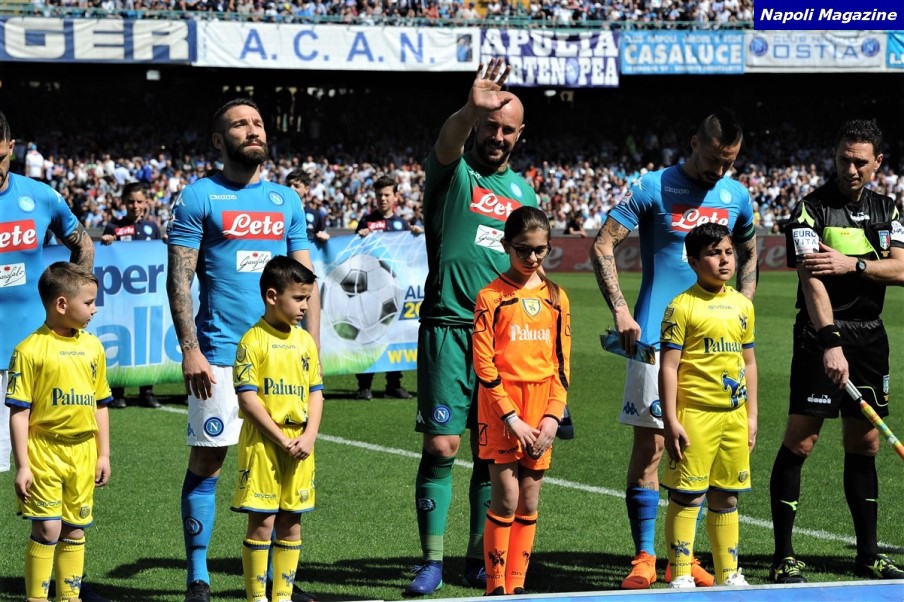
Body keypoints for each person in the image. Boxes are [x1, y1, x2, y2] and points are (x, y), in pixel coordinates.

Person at [588, 108, 757, 590]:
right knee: (653, 445)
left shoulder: (736, 195)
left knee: (700, 449)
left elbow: (748, 251)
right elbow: (603, 245)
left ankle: (682, 557)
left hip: (713, 346)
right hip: (655, 335)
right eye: (715, 158)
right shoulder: (652, 187)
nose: (720, 170)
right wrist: (621, 310)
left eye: (729, 162)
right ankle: (645, 556)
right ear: (694, 143)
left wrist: (743, 302)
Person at [166, 97, 320, 602]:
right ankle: (198, 576)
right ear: (219, 140)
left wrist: (312, 349)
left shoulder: (286, 200)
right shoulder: (199, 196)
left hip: (281, 358)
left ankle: (279, 581)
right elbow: (179, 280)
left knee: (282, 463)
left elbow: (307, 281)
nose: (252, 130)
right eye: (239, 124)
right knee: (209, 459)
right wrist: (190, 349)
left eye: (257, 122)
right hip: (218, 354)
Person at [407, 58, 538, 596]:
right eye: (490, 126)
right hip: (449, 328)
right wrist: (468, 110)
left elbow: (531, 272)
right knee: (442, 446)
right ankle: (431, 561)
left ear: (520, 135)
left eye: (508, 130)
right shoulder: (454, 174)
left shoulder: (525, 194)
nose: (497, 137)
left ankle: (479, 560)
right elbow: (446, 143)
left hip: (503, 340)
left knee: (494, 455)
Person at [769, 119, 904, 584]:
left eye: (860, 162)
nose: (851, 169)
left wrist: (853, 265)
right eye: (844, 159)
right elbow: (812, 280)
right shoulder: (810, 210)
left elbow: (902, 270)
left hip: (871, 337)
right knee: (802, 440)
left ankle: (868, 555)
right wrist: (830, 342)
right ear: (834, 155)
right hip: (821, 335)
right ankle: (783, 556)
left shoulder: (888, 209)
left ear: (877, 163)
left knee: (865, 443)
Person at [473, 206, 571, 596]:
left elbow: (562, 364)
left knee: (529, 500)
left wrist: (553, 416)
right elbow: (483, 364)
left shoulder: (557, 297)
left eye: (540, 250)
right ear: (506, 246)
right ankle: (494, 588)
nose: (532, 258)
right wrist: (511, 418)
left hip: (541, 407)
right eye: (523, 249)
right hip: (502, 410)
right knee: (507, 498)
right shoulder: (490, 297)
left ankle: (516, 586)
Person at [6, 262, 113, 602]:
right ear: (62, 304)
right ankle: (36, 598)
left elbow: (100, 404)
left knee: (75, 529)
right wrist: (23, 465)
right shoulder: (29, 350)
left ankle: (70, 597)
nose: (95, 309)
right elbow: (19, 412)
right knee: (47, 527)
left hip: (83, 451)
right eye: (89, 302)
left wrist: (104, 454)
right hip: (44, 451)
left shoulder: (93, 347)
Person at [659, 223, 757, 588]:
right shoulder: (681, 306)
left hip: (733, 417)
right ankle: (681, 573)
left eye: (728, 252)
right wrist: (671, 420)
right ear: (694, 261)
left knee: (728, 495)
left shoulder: (742, 305)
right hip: (695, 416)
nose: (725, 260)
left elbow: (749, 363)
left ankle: (729, 573)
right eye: (714, 254)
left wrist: (751, 416)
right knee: (688, 495)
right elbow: (668, 367)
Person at [231, 255, 323, 602]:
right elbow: (248, 400)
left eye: (307, 299)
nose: (305, 307)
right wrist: (282, 439)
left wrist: (309, 435)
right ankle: (257, 597)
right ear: (272, 296)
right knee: (263, 522)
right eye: (298, 298)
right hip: (264, 444)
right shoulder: (252, 341)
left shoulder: (305, 342)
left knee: (292, 522)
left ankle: (282, 596)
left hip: (300, 444)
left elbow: (316, 393)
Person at [354, 174, 422, 401]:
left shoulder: (402, 225)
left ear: (395, 196)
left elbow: (410, 256)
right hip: (370, 290)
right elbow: (352, 252)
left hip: (395, 290)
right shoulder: (366, 222)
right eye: (379, 195)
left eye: (386, 195)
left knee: (395, 334)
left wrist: (415, 236)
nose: (382, 199)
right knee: (369, 336)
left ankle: (394, 384)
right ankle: (364, 386)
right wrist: (360, 236)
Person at [101, 181, 163, 410]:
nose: (135, 206)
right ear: (123, 202)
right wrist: (106, 242)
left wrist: (165, 244)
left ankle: (147, 392)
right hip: (120, 298)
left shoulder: (152, 228)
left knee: (146, 342)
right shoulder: (113, 226)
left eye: (139, 201)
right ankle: (117, 393)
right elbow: (104, 258)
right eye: (130, 202)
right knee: (121, 342)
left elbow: (159, 257)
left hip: (146, 297)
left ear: (146, 202)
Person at [285, 169, 329, 246]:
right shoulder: (277, 211)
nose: (291, 188)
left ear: (306, 189)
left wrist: (324, 237)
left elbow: (323, 234)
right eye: (288, 185)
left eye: (296, 186)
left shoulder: (316, 214)